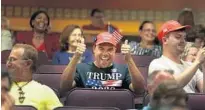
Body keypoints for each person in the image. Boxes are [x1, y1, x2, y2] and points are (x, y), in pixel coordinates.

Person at [60, 32, 145, 95]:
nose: (105, 53)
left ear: (115, 51)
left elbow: (140, 90)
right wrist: (76, 56)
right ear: (94, 49)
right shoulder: (81, 68)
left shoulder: (124, 69)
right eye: (101, 48)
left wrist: (129, 59)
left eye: (110, 49)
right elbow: (64, 87)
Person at [149, 20, 205, 93]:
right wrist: (197, 62)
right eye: (178, 37)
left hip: (193, 104)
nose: (183, 41)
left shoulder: (190, 66)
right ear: (165, 40)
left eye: (184, 38)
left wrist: (204, 65)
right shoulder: (157, 64)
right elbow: (172, 87)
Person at [6, 44, 62, 110]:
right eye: (8, 60)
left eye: (12, 59)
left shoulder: (45, 92)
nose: (8, 64)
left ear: (28, 63)